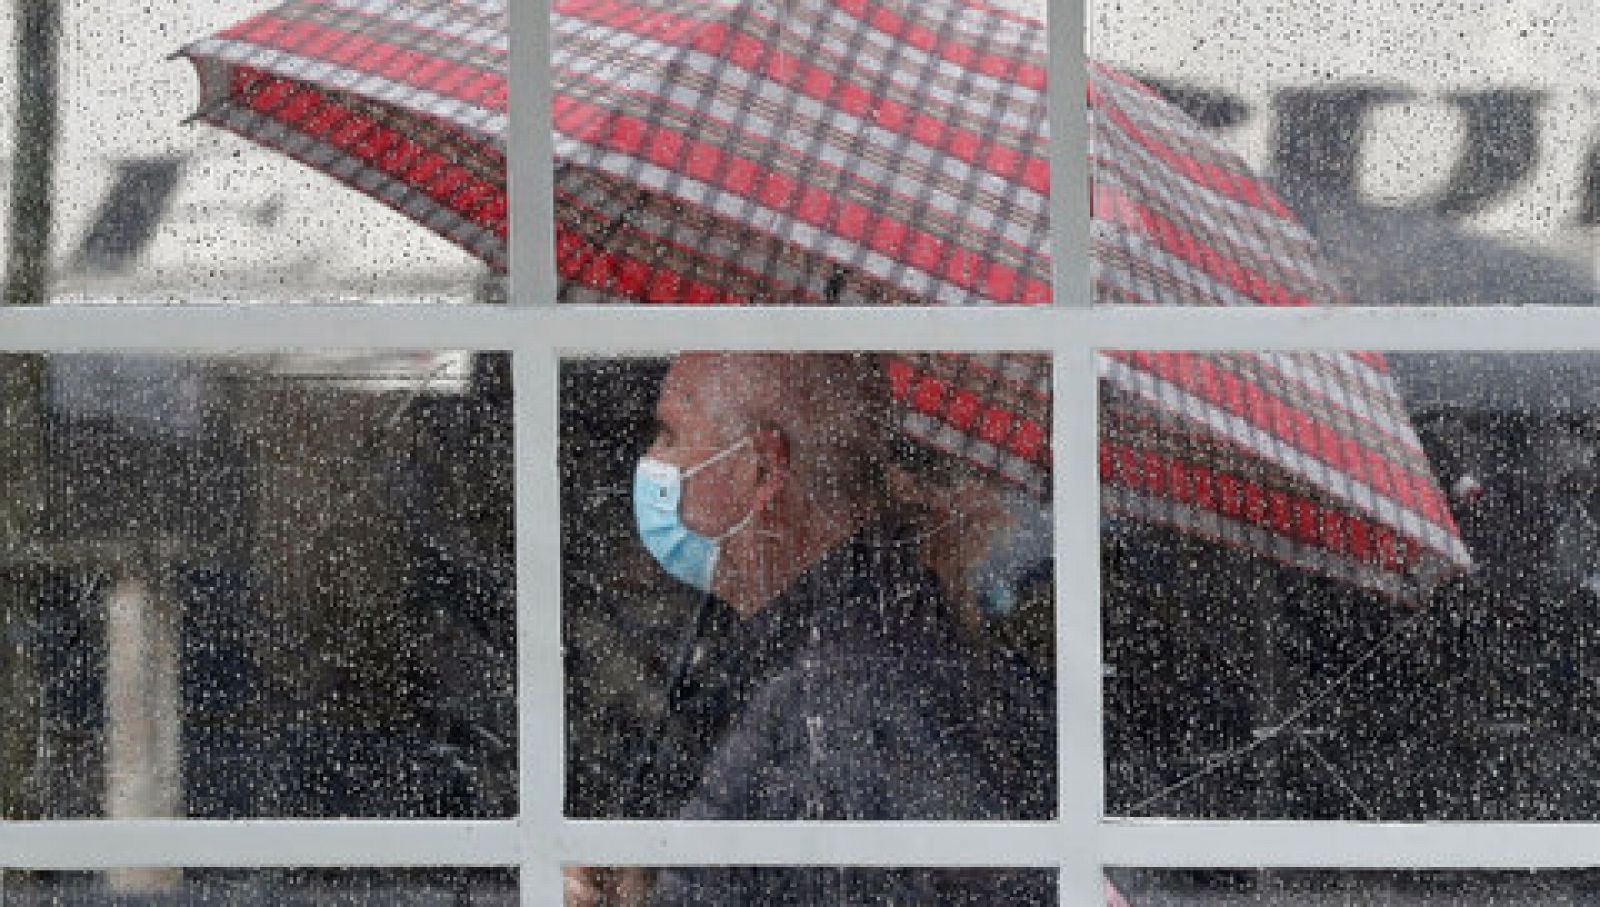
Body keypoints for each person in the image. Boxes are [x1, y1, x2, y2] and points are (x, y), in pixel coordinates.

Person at [566, 352, 1057, 905]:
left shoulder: (835, 692)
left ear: (759, 467)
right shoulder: (838, 642)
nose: (651, 460)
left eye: (669, 434)